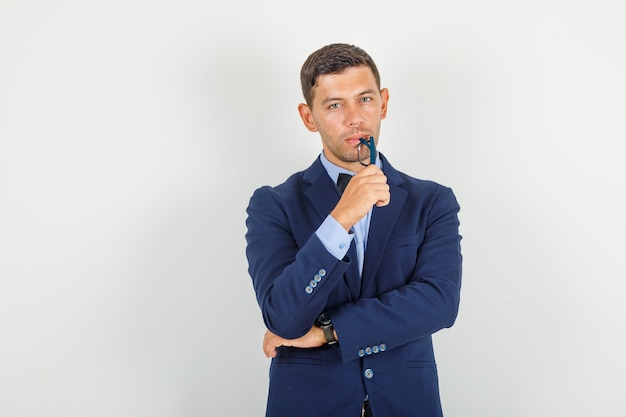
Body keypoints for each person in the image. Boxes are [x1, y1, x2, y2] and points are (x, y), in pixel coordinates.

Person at [244, 43, 462, 417]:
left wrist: (329, 331)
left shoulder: (432, 201)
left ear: (385, 103)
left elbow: (439, 303)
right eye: (334, 105)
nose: (355, 118)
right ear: (308, 117)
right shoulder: (273, 204)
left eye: (365, 99)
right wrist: (340, 219)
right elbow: (282, 316)